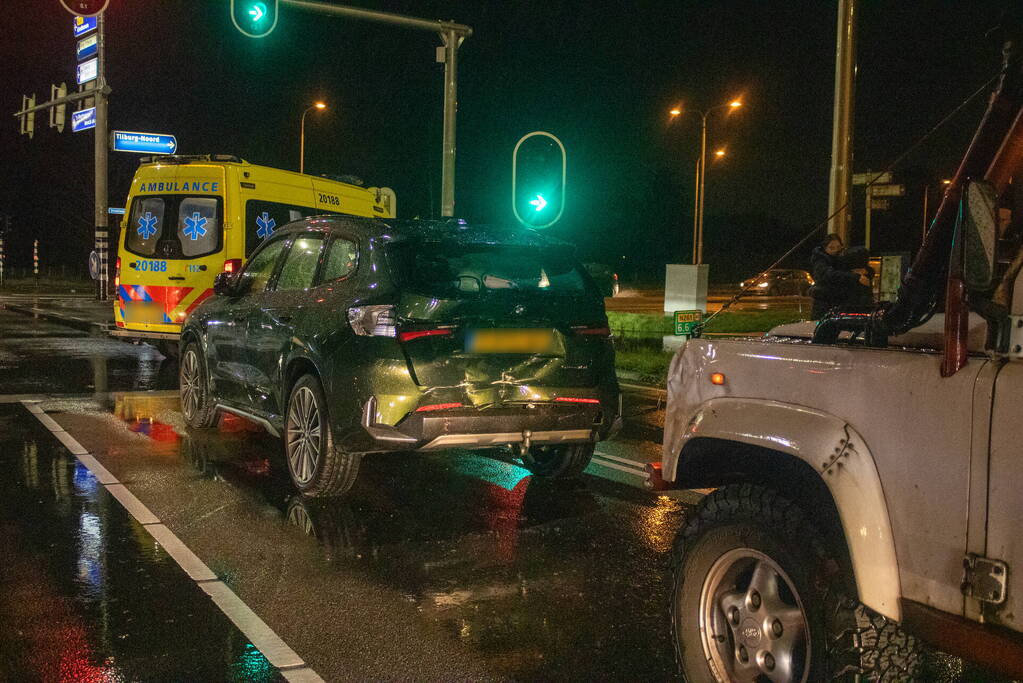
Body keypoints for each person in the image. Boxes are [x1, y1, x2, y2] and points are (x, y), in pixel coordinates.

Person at [810, 234, 873, 319]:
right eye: (831, 248)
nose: (836, 250)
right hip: (824, 303)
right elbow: (828, 274)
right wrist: (855, 276)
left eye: (838, 247)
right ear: (825, 248)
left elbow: (864, 268)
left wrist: (865, 271)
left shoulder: (842, 258)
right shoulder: (820, 260)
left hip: (838, 302)